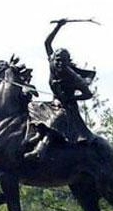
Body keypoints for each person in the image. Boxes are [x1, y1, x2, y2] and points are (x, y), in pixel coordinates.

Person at [24, 19, 96, 161]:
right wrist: (58, 26)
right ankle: (36, 135)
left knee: (55, 120)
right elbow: (47, 43)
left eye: (63, 61)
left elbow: (88, 94)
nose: (59, 63)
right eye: (57, 60)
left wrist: (72, 98)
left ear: (68, 62)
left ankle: (40, 151)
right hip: (54, 103)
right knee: (31, 106)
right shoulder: (52, 63)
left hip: (68, 108)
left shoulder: (72, 76)